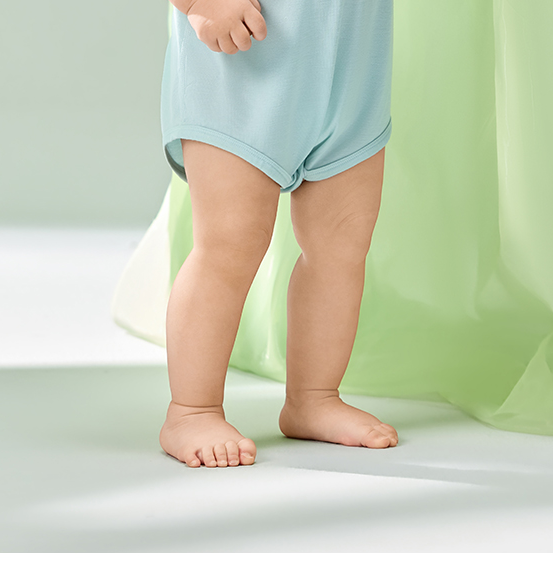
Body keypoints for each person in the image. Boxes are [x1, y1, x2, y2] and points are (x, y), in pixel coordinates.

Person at [159, 0, 398, 468]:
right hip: (239, 66)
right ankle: (191, 409)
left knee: (342, 245)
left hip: (353, 69)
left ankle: (314, 396)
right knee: (229, 243)